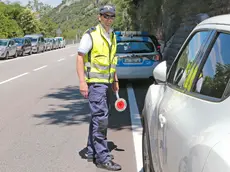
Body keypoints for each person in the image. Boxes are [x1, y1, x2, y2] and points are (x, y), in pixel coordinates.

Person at [76, 4, 121, 171]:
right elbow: (80, 58)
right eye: (105, 16)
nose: (108, 19)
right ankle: (103, 158)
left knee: (98, 117)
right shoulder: (91, 35)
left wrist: (115, 80)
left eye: (111, 16)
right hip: (95, 84)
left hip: (107, 83)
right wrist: (82, 82)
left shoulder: (112, 35)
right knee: (101, 119)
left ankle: (91, 151)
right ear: (99, 17)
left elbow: (112, 61)